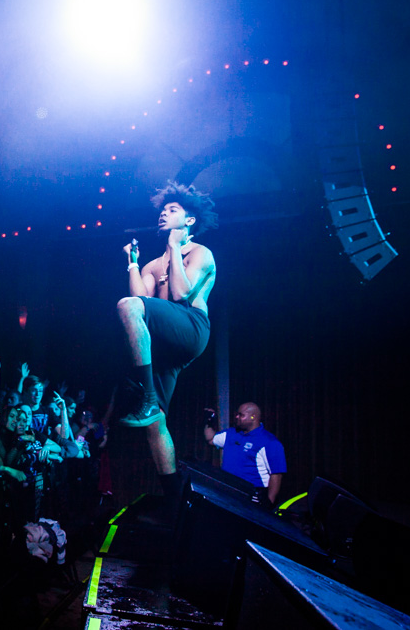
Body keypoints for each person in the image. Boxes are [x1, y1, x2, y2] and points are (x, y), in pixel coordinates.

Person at [115, 181, 217, 520]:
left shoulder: (200, 253)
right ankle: (174, 497)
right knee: (154, 420)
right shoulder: (151, 266)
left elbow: (180, 296)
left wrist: (175, 248)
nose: (163, 213)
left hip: (189, 327)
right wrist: (133, 263)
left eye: (172, 210)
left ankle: (145, 395)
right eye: (163, 209)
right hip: (162, 345)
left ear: (189, 220)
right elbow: (140, 299)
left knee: (128, 306)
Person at [204, 403, 286, 506]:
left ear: (253, 417)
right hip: (229, 490)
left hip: (252, 495)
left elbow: (276, 474)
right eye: (237, 414)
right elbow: (211, 439)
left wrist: (269, 502)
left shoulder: (269, 442)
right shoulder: (232, 434)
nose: (236, 417)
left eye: (241, 415)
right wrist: (209, 421)